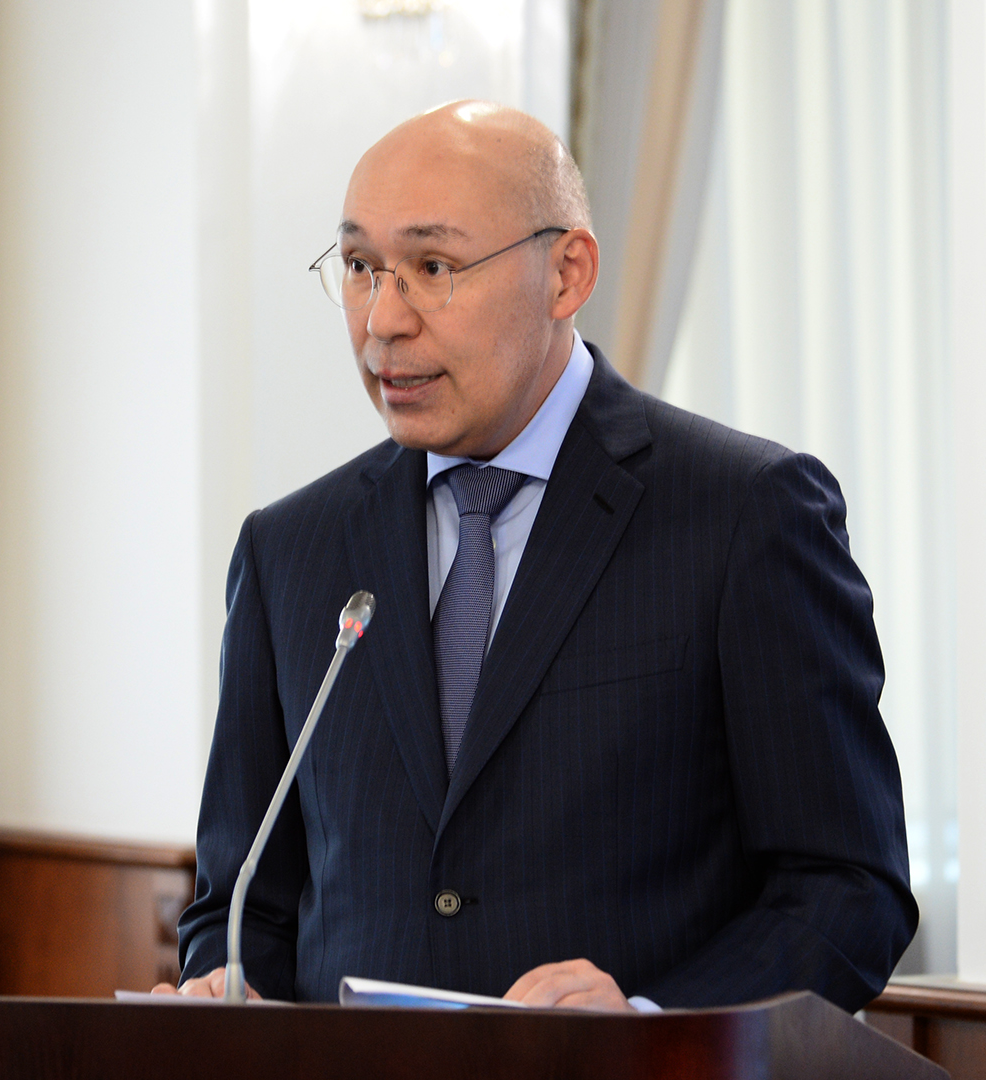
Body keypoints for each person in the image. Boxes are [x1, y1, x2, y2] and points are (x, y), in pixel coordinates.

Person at [159, 100, 915, 1012]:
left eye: (433, 268)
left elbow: (847, 889)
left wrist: (649, 1028)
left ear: (566, 274)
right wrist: (227, 992)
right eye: (360, 267)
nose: (382, 321)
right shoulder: (290, 550)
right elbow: (241, 904)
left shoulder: (745, 513)